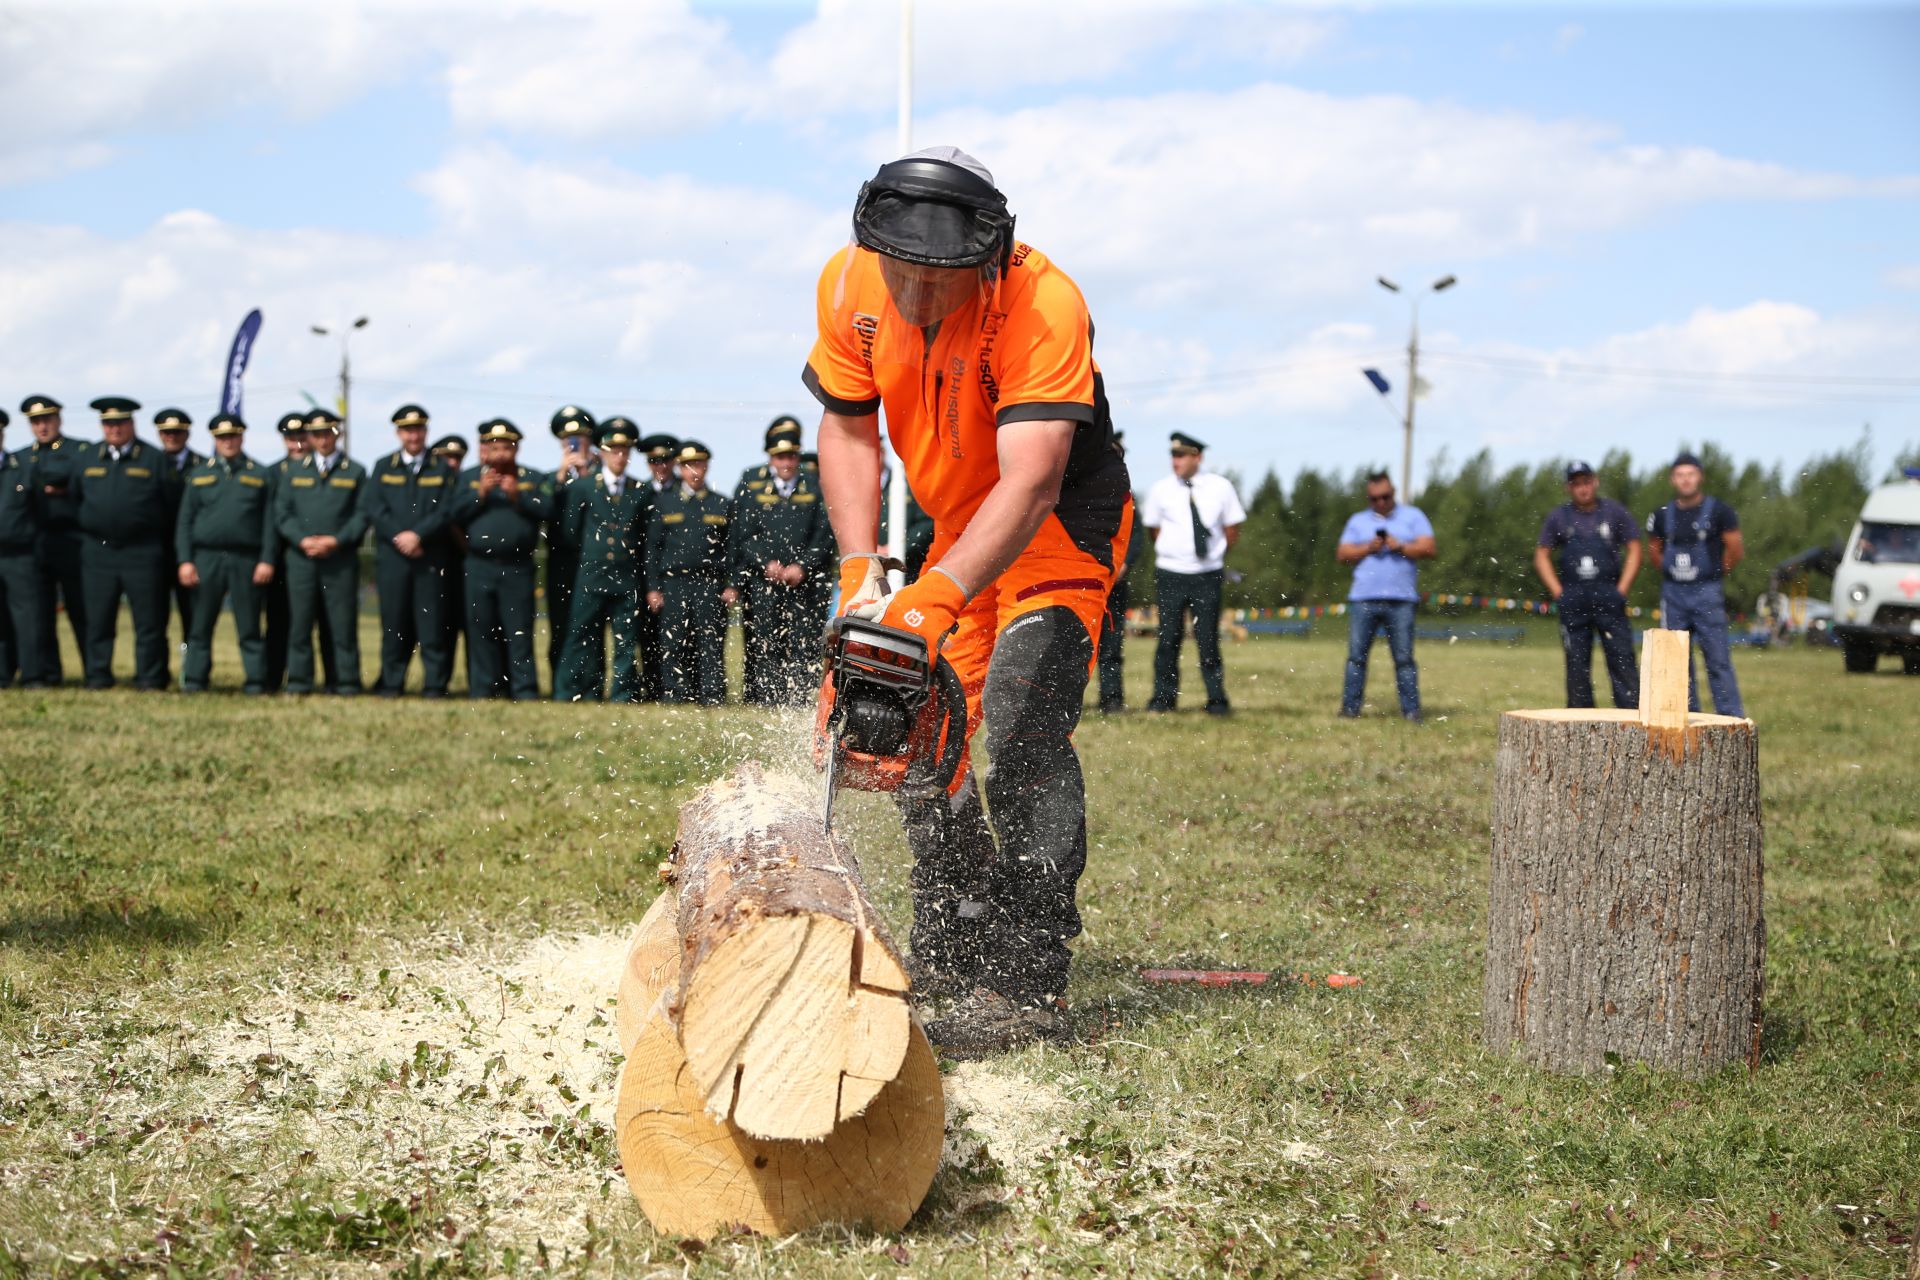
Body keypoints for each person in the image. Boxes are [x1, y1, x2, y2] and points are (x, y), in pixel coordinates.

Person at [804, 146, 1133, 1053]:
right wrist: (858, 566)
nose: (913, 294)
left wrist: (939, 595)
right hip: (958, 523)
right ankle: (955, 927)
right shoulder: (849, 283)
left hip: (1058, 521)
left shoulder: (1043, 303)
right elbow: (846, 424)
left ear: (984, 257)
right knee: (914, 714)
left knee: (1023, 718)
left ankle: (1027, 976)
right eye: (899, 272)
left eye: (935, 279)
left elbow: (1031, 483)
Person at [729, 417, 833, 706]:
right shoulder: (753, 486)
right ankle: (767, 698)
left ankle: (799, 698)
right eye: (780, 456)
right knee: (765, 640)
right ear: (770, 458)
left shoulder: (814, 486)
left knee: (804, 640)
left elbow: (825, 535)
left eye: (791, 456)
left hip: (805, 582)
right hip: (765, 581)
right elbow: (744, 534)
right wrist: (766, 563)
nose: (786, 462)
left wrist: (802, 566)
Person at [72, 396, 173, 690]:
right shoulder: (88, 458)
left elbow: (168, 503)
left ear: (132, 424)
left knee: (149, 621)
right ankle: (98, 676)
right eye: (108, 424)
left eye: (120, 423)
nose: (114, 429)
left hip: (141, 551)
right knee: (98, 619)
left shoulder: (153, 458)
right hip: (98, 552)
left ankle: (150, 678)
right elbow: (75, 499)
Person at [1141, 432, 1244, 715]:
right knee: (1168, 638)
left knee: (1208, 638)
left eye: (1182, 455)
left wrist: (1213, 556)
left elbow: (1232, 528)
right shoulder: (1161, 489)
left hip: (1206, 575)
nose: (1176, 461)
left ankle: (1216, 700)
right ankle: (1163, 699)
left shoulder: (1220, 487)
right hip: (1171, 573)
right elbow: (1154, 530)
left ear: (1197, 457)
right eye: (1173, 455)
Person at [450, 419, 551, 700]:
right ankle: (485, 690)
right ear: (485, 449)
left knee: (519, 633)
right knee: (482, 631)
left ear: (516, 449)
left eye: (507, 448)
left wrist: (520, 496)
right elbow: (452, 513)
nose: (501, 454)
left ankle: (524, 691)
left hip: (517, 567)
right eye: (495, 448)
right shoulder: (469, 478)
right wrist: (478, 494)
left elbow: (549, 509)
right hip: (479, 565)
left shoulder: (531, 477)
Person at [176, 413, 275, 694]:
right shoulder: (199, 474)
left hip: (246, 559)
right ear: (214, 440)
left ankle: (256, 682)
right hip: (206, 558)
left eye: (232, 436)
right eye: (222, 438)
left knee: (249, 626)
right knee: (200, 625)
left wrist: (266, 559)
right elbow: (185, 522)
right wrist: (185, 561)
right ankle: (195, 680)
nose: (228, 442)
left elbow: (269, 522)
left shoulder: (259, 474)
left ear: (242, 437)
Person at [274, 408, 369, 695]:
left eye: (328, 432)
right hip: (301, 560)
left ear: (337, 434)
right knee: (300, 625)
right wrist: (302, 540)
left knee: (342, 626)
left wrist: (336, 541)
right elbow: (282, 514)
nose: (323, 439)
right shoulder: (293, 471)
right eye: (316, 434)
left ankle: (347, 682)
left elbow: (362, 515)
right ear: (310, 438)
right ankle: (300, 682)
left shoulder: (355, 471)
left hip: (339, 560)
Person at [555, 418, 651, 702]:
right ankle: (577, 692)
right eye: (613, 450)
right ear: (602, 452)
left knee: (625, 641)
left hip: (625, 576)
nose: (619, 456)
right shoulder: (584, 487)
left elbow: (644, 534)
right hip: (592, 574)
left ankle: (622, 695)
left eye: (624, 451)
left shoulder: (640, 490)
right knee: (581, 638)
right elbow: (570, 532)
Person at [1533, 461, 1641, 709]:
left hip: (1609, 597)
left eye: (1586, 482)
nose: (1583, 488)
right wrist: (1559, 592)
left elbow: (1635, 549)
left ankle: (1631, 720)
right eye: (1576, 484)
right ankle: (1581, 725)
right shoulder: (1559, 517)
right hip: (1573, 598)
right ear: (1568, 487)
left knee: (1622, 661)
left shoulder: (1614, 512)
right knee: (1576, 666)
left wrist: (1621, 590)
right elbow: (1541, 556)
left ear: (1595, 481)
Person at [365, 404, 456, 698]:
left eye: (417, 429)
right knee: (394, 623)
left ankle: (434, 686)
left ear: (426, 431)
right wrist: (400, 537)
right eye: (407, 430)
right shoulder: (383, 466)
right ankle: (392, 684)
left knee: (432, 625)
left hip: (428, 556)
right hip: (393, 558)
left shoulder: (441, 467)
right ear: (398, 433)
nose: (413, 435)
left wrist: (418, 536)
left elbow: (446, 510)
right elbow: (375, 509)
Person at [1646, 451, 1745, 716]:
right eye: (1680, 475)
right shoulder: (1661, 515)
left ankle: (1729, 718)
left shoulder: (1720, 511)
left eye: (1690, 474)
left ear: (1699, 476)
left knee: (1718, 660)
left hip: (1707, 591)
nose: (1686, 480)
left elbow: (1735, 549)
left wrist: (1714, 573)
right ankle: (1683, 716)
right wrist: (1673, 573)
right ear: (1672, 480)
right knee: (1676, 660)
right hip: (1673, 594)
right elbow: (1654, 550)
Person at [1335, 471, 1436, 721]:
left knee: (1404, 659)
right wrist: (1368, 548)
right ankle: (1350, 710)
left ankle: (1411, 712)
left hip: (1401, 600)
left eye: (1385, 497)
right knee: (1356, 658)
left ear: (1393, 494)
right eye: (1374, 498)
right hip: (1364, 598)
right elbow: (1342, 554)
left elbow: (1429, 547)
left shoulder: (1413, 517)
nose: (1380, 502)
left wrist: (1400, 546)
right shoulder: (1357, 521)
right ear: (1368, 498)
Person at [646, 440, 735, 705]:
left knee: (710, 642)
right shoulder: (665, 502)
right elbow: (652, 549)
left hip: (709, 583)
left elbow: (732, 549)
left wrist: (732, 584)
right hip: (674, 583)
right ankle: (675, 695)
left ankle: (712, 696)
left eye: (698, 464)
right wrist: (653, 587)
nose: (694, 471)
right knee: (673, 642)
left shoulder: (721, 503)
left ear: (707, 466)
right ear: (680, 469)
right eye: (687, 466)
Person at [16, 394, 89, 686]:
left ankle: (93, 672)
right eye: (35, 422)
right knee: (40, 613)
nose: (42, 427)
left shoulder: (79, 451)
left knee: (80, 610)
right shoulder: (21, 457)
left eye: (46, 420)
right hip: (36, 544)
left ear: (59, 419)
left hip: (72, 541)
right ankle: (49, 672)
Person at [262, 412, 334, 693]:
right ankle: (272, 679)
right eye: (291, 439)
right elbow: (269, 520)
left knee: (321, 622)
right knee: (279, 622)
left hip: (309, 558)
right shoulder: (272, 473)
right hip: (279, 560)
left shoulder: (317, 470)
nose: (297, 445)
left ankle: (327, 680)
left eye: (301, 438)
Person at [547, 405, 599, 682]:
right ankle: (561, 682)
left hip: (596, 559)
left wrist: (588, 477)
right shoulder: (553, 478)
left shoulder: (605, 475)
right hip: (562, 560)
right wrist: (560, 477)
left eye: (580, 437)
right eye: (568, 439)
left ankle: (592, 682)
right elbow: (544, 511)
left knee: (594, 626)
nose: (574, 444)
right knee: (561, 622)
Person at [1096, 432, 1146, 713]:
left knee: (1112, 645)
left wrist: (1122, 565)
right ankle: (1067, 705)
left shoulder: (1127, 494)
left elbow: (1136, 535)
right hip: (1085, 580)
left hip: (1114, 581)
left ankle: (1112, 699)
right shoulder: (1078, 490)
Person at [0, 409, 46, 687]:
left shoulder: (23, 468)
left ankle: (32, 675)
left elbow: (40, 512)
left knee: (28, 618)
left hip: (20, 556)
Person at [633, 433, 680, 700]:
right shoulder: (641, 493)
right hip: (641, 574)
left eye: (665, 460)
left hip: (669, 577)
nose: (660, 466)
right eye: (654, 461)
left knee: (674, 638)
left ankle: (674, 691)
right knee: (645, 636)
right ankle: (649, 690)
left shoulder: (680, 494)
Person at [153, 407, 205, 645]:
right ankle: (156, 677)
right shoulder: (150, 464)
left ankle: (191, 674)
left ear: (187, 434)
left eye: (176, 432)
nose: (171, 436)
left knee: (193, 616)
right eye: (166, 432)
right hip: (156, 550)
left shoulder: (203, 467)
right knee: (154, 617)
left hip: (191, 551)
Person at [430, 433, 471, 688]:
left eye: (457, 458)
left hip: (468, 566)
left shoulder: (467, 485)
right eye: (446, 457)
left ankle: (477, 685)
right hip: (439, 566)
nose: (452, 463)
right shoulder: (429, 486)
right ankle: (439, 682)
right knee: (441, 627)